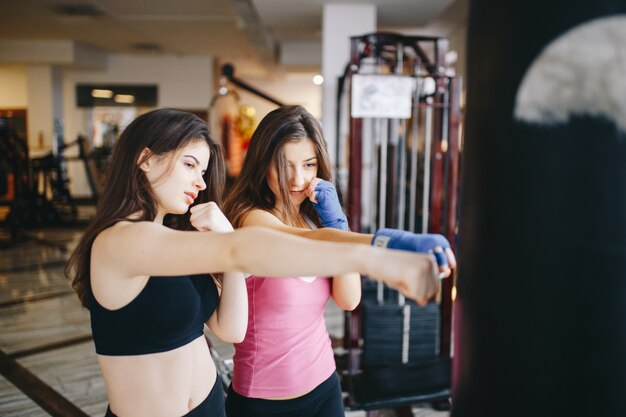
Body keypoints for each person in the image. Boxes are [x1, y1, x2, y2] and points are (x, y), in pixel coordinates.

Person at [65, 108, 444, 417]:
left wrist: (225, 241)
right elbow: (248, 248)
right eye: (189, 165)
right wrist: (379, 249)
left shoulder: (177, 238)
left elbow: (231, 328)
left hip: (215, 406)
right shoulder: (119, 242)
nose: (199, 182)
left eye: (202, 170)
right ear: (145, 160)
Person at [220, 105, 455, 417]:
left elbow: (349, 298)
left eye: (309, 164)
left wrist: (336, 223)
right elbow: (297, 243)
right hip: (265, 402)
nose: (298, 179)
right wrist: (388, 242)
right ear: (263, 165)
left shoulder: (312, 219)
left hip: (324, 386)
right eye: (284, 166)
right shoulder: (251, 220)